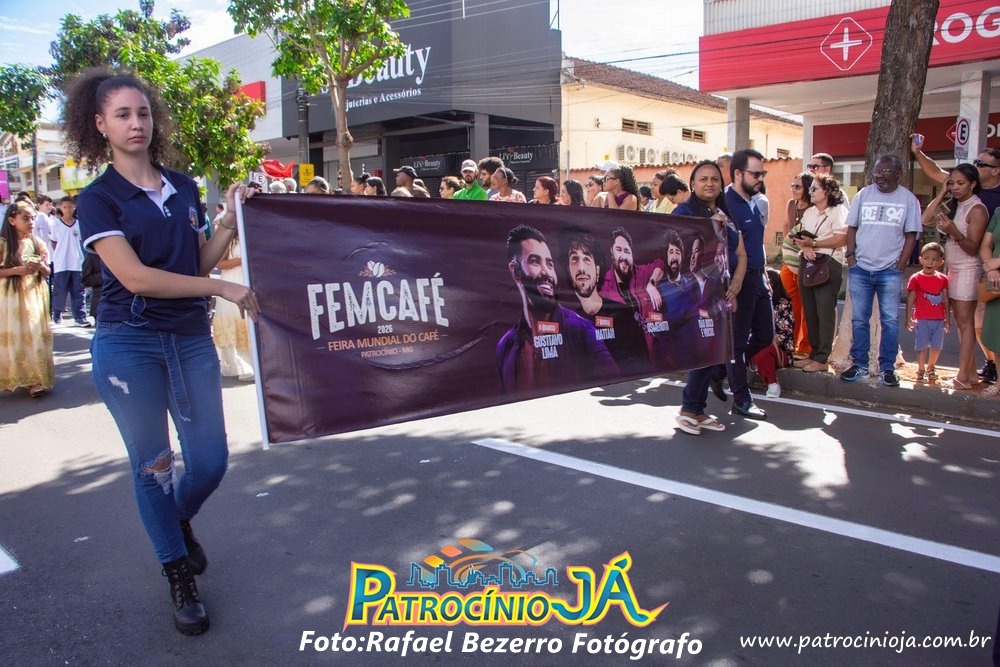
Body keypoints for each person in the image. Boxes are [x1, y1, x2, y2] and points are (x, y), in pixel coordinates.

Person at [66, 68, 260, 635]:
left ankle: (174, 523)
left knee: (210, 460)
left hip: (189, 340)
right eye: (122, 115)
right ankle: (178, 574)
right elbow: (136, 278)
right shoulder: (98, 199)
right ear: (100, 124)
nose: (137, 124)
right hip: (128, 343)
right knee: (153, 467)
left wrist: (227, 223)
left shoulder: (183, 187)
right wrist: (222, 288)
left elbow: (193, 264)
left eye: (143, 113)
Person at [496, 224, 618, 392]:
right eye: (535, 261)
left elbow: (616, 387)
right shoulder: (505, 346)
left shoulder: (582, 330)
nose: (547, 273)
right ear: (516, 271)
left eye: (550, 264)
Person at [672, 160, 746, 434]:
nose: (709, 183)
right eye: (703, 179)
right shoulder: (684, 211)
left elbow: (740, 252)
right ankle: (688, 409)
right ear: (692, 184)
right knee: (704, 351)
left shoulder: (725, 213)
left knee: (714, 351)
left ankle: (697, 409)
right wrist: (707, 226)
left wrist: (735, 284)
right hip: (694, 294)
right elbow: (674, 241)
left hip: (721, 293)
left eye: (714, 179)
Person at [841, 154, 921, 386]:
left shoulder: (908, 200)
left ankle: (887, 368)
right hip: (861, 268)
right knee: (859, 320)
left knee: (890, 321)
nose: (880, 176)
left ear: (898, 174)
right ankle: (860, 365)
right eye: (878, 171)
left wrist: (902, 263)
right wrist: (851, 257)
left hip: (890, 270)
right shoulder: (864, 195)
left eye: (886, 172)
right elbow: (851, 228)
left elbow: (911, 235)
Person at [921, 164, 987, 390]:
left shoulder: (977, 209)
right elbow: (925, 218)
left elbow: (973, 248)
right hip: (954, 268)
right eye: (952, 183)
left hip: (968, 269)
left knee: (965, 324)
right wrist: (942, 192)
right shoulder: (954, 205)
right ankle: (970, 374)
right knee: (961, 323)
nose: (955, 187)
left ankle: (963, 377)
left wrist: (954, 232)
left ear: (973, 184)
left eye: (961, 183)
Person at [558, 225, 648, 373]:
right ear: (568, 270)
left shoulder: (623, 314)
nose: (581, 268)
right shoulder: (566, 322)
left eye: (587, 259)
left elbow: (640, 367)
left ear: (597, 270)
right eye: (574, 259)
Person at [724, 148, 773, 420]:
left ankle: (721, 369)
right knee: (738, 342)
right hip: (738, 279)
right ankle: (742, 399)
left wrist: (765, 273)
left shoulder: (755, 202)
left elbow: (757, 243)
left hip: (758, 276)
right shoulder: (726, 203)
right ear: (738, 174)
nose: (760, 178)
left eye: (762, 173)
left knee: (765, 335)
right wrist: (731, 285)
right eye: (755, 174)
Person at [792, 174, 847, 373]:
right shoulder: (809, 212)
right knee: (810, 310)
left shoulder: (838, 211)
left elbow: (841, 239)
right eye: (811, 188)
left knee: (825, 311)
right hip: (808, 262)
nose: (811, 192)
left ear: (828, 191)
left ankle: (823, 358)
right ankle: (814, 354)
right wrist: (806, 247)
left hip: (828, 263)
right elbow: (800, 236)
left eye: (815, 188)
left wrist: (814, 244)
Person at [0, 200, 53, 398]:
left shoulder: (37, 242)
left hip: (34, 296)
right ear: (12, 220)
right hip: (10, 297)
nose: (31, 222)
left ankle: (35, 379)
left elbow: (48, 271)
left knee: (35, 335)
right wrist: (17, 270)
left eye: (32, 218)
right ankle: (14, 376)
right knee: (14, 336)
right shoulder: (3, 244)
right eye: (26, 218)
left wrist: (41, 267)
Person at [905, 242, 950, 383]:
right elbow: (911, 298)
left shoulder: (943, 279)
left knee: (937, 346)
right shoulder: (916, 278)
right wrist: (908, 317)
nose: (930, 262)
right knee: (921, 345)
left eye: (934, 259)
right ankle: (920, 369)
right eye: (927, 258)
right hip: (922, 318)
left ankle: (931, 367)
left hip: (939, 319)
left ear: (941, 262)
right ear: (921, 259)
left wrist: (947, 320)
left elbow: (946, 299)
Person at [781, 171, 813, 360]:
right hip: (789, 261)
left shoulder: (814, 208)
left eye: (798, 186)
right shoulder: (791, 204)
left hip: (807, 262)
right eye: (792, 185)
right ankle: (790, 343)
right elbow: (786, 226)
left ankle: (805, 346)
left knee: (807, 305)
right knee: (791, 303)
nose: (793, 189)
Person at [751, 268, 794, 398]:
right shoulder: (753, 303)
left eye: (769, 283)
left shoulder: (784, 305)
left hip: (777, 349)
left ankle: (773, 383)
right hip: (755, 342)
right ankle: (737, 382)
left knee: (762, 350)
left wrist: (765, 338)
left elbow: (785, 336)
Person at [50, 196, 89, 326]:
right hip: (61, 263)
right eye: (65, 207)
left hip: (77, 263)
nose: (67, 209)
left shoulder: (78, 224)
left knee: (79, 291)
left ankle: (80, 317)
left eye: (70, 207)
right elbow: (54, 242)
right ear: (60, 208)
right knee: (60, 291)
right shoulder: (55, 224)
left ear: (74, 207)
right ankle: (57, 313)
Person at [979, 210, 1000, 396]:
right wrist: (990, 268)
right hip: (996, 282)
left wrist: (997, 262)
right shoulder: (998, 213)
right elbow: (986, 245)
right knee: (996, 333)